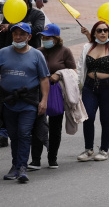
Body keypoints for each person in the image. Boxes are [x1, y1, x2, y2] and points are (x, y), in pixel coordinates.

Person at [0, 22, 50, 183]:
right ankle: (15, 165)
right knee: (13, 135)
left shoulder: (37, 55)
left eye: (22, 34)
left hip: (29, 102)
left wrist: (44, 100)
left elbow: (44, 79)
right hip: (9, 101)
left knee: (23, 133)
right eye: (15, 34)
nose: (18, 37)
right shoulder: (2, 52)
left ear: (29, 37)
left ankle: (22, 167)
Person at [27, 24, 76, 170]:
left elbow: (73, 72)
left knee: (55, 126)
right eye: (43, 37)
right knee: (37, 125)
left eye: (48, 37)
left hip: (56, 93)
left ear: (56, 38)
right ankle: (35, 160)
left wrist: (59, 74)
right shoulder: (37, 51)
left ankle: (52, 158)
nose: (44, 39)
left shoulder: (65, 51)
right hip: (38, 93)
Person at [76, 21, 109, 162]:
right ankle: (88, 150)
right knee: (89, 117)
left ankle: (104, 150)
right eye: (99, 30)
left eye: (105, 30)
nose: (103, 33)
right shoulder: (87, 47)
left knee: (106, 119)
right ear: (94, 33)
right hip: (89, 87)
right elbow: (80, 67)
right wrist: (77, 85)